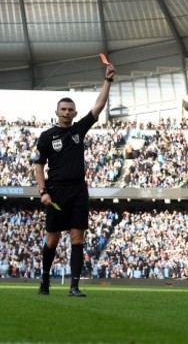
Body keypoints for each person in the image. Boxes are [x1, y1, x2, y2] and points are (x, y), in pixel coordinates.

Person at [35, 60, 116, 297]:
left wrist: (108, 80)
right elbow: (38, 165)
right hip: (56, 191)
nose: (67, 113)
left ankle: (74, 286)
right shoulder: (47, 136)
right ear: (57, 112)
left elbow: (99, 106)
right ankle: (45, 280)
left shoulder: (79, 130)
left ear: (75, 113)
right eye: (63, 109)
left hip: (79, 190)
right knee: (52, 240)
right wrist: (43, 192)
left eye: (70, 110)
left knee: (77, 238)